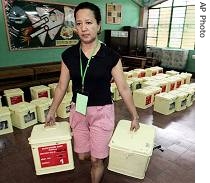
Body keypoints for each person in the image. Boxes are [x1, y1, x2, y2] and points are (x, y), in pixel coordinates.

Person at [45, 2, 140, 183]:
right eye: (79, 23)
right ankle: (100, 150)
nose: (83, 28)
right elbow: (61, 86)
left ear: (99, 25)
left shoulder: (111, 56)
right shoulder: (68, 55)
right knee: (82, 156)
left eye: (88, 22)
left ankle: (100, 156)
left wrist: (134, 115)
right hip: (78, 110)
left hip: (102, 111)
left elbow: (124, 88)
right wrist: (51, 111)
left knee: (96, 160)